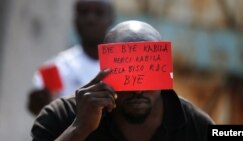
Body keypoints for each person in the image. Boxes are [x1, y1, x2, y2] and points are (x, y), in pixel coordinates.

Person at [31, 21, 214, 141]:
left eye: (147, 73)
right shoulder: (61, 116)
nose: (137, 90)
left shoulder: (196, 125)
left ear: (163, 70)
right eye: (126, 75)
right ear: (104, 71)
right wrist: (79, 128)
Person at [27, 0, 114, 115]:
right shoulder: (55, 67)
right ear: (74, 19)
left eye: (99, 13)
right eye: (83, 12)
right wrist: (40, 105)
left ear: (111, 19)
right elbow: (43, 112)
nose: (90, 19)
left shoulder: (121, 67)